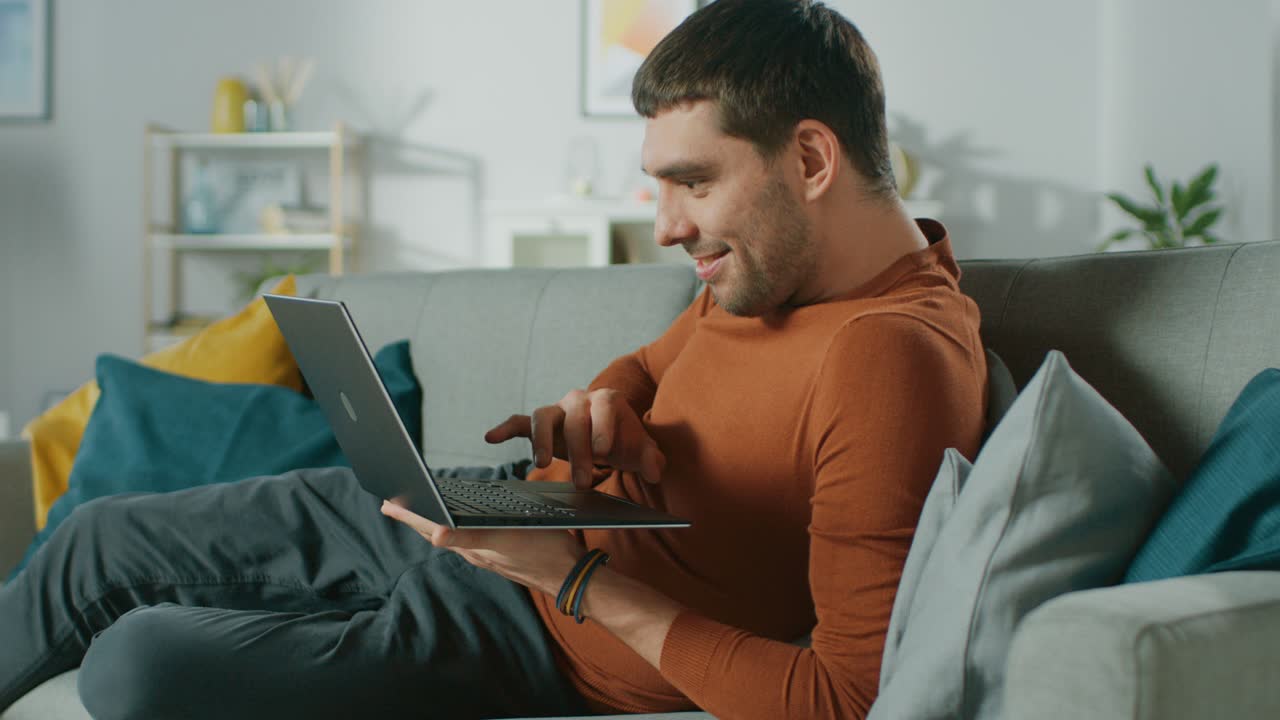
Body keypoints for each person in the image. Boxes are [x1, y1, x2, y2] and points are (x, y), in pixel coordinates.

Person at [0, 1, 986, 718]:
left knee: (137, 664)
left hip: (536, 635)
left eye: (690, 182)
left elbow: (843, 699)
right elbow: (653, 361)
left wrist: (571, 581)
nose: (666, 225)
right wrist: (600, 405)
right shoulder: (772, 272)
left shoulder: (887, 359)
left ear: (810, 160)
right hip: (505, 508)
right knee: (95, 537)